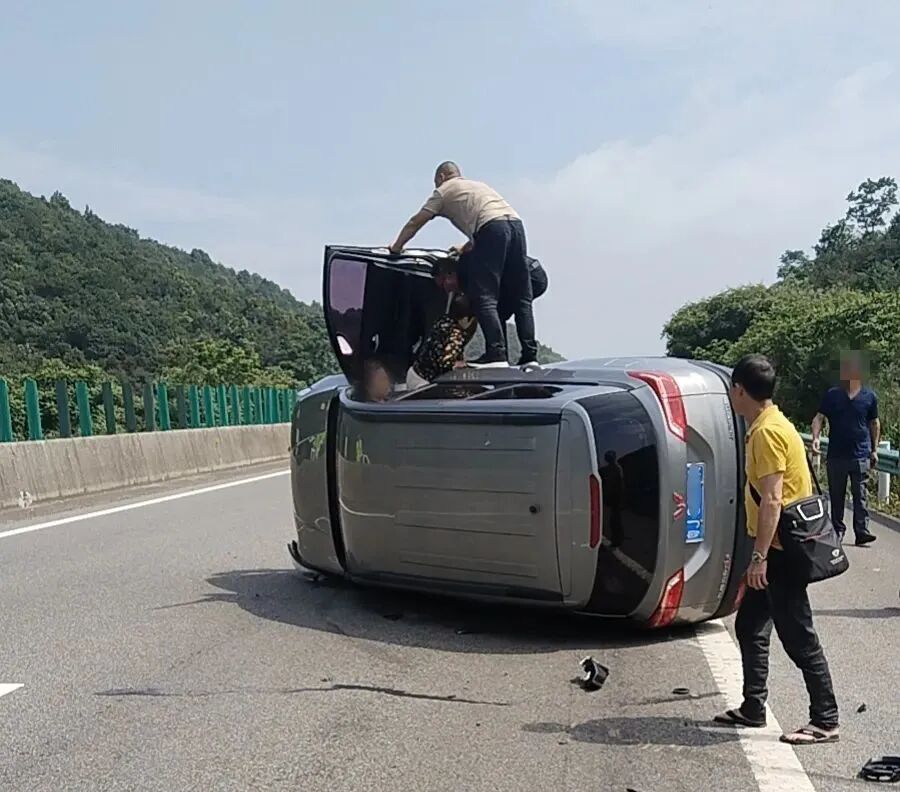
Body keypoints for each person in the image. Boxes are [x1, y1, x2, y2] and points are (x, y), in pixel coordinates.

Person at [714, 354, 839, 746]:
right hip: (778, 546)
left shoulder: (766, 433)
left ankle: (826, 719)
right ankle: (753, 707)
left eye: (731, 392)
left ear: (739, 390)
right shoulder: (773, 423)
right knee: (750, 626)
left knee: (799, 636)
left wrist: (759, 557)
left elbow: (771, 500)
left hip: (781, 552)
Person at [389, 161, 536, 368]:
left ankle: (497, 355)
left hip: (491, 228)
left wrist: (397, 246)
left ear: (441, 177)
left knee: (484, 295)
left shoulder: (443, 190)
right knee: (522, 296)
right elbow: (493, 223)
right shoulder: (479, 186)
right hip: (516, 225)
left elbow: (417, 221)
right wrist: (464, 247)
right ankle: (530, 357)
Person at [811, 351, 879, 546]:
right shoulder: (833, 395)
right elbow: (819, 418)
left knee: (861, 494)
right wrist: (816, 437)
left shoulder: (869, 396)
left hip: (860, 453)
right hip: (836, 455)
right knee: (837, 495)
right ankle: (837, 530)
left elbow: (874, 423)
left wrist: (874, 450)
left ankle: (862, 531)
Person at [406, 293, 477, 390]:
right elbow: (446, 363)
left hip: (415, 372)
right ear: (465, 319)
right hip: (425, 382)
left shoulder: (443, 321)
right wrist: (457, 364)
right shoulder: (456, 334)